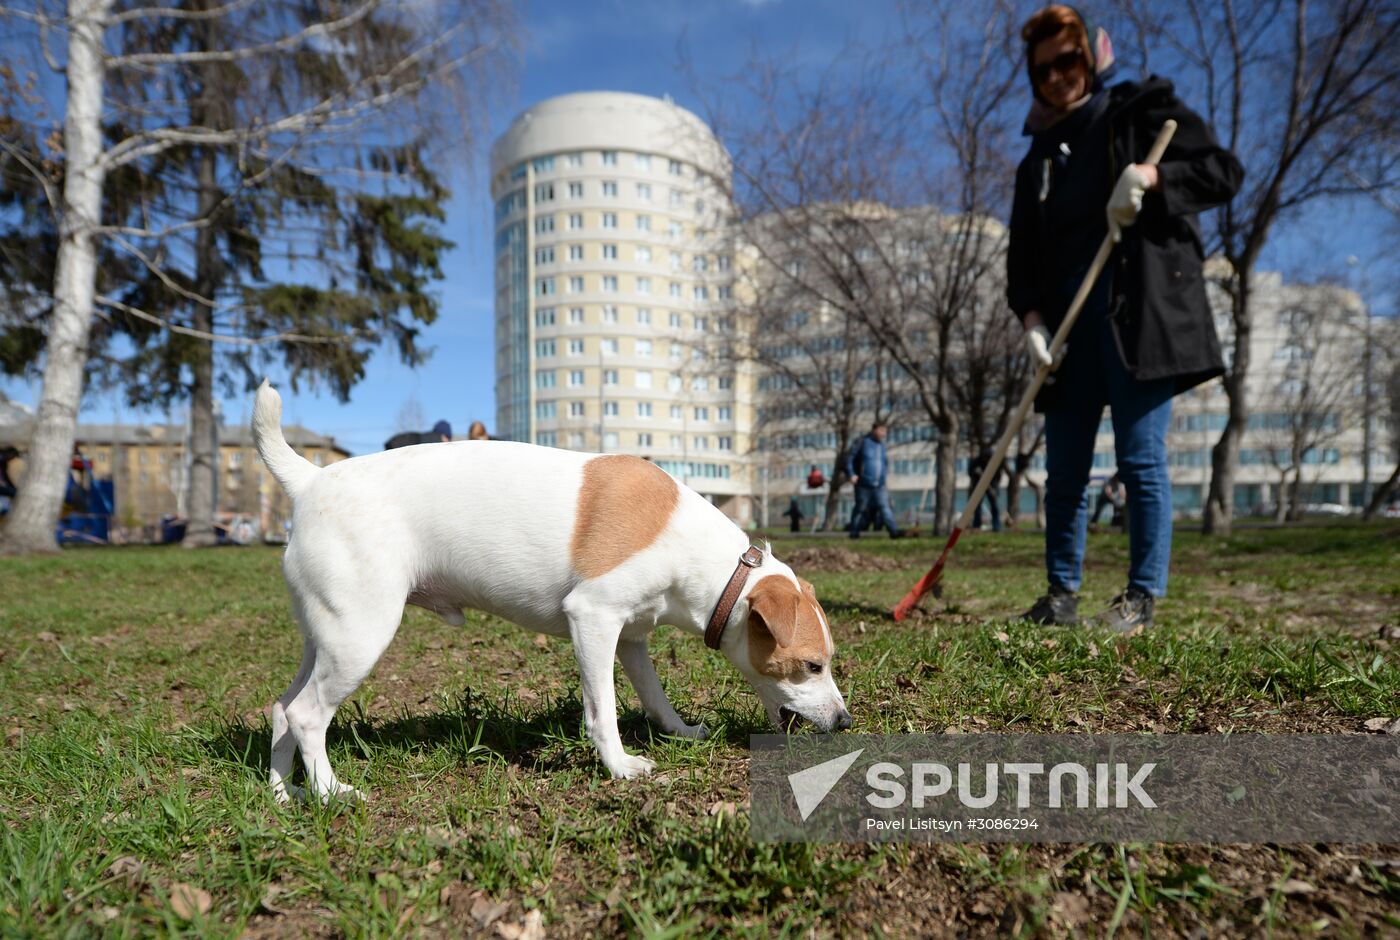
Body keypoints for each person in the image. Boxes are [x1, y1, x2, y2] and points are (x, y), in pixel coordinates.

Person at [1007, 6, 1242, 632]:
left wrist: (1152, 176)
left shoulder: (1139, 113)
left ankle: (1141, 597)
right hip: (1066, 330)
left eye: (1069, 61)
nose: (1058, 76)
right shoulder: (1036, 164)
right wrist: (1031, 319)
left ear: (1092, 57)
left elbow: (1223, 172)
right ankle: (1060, 595)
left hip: (1135, 316)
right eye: (1044, 69)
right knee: (1065, 474)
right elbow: (1022, 258)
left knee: (1141, 460)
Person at [843, 422, 903, 539]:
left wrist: (884, 478)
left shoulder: (881, 446)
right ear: (874, 430)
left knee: (885, 507)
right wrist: (851, 474)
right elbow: (849, 458)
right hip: (863, 484)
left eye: (885, 432)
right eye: (882, 431)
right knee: (860, 508)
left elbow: (884, 464)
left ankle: (894, 532)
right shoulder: (862, 442)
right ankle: (854, 533)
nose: (884, 434)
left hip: (879, 485)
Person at [968, 446, 1003, 532]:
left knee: (994, 506)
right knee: (977, 506)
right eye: (986, 458)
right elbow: (970, 472)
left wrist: (995, 488)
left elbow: (998, 476)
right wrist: (975, 473)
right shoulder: (976, 462)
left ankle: (996, 526)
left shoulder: (995, 463)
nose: (987, 460)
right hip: (978, 485)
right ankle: (977, 525)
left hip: (991, 485)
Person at [384, 420, 452, 450]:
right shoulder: (436, 442)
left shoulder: (423, 436)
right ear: (443, 435)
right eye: (448, 437)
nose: (448, 441)